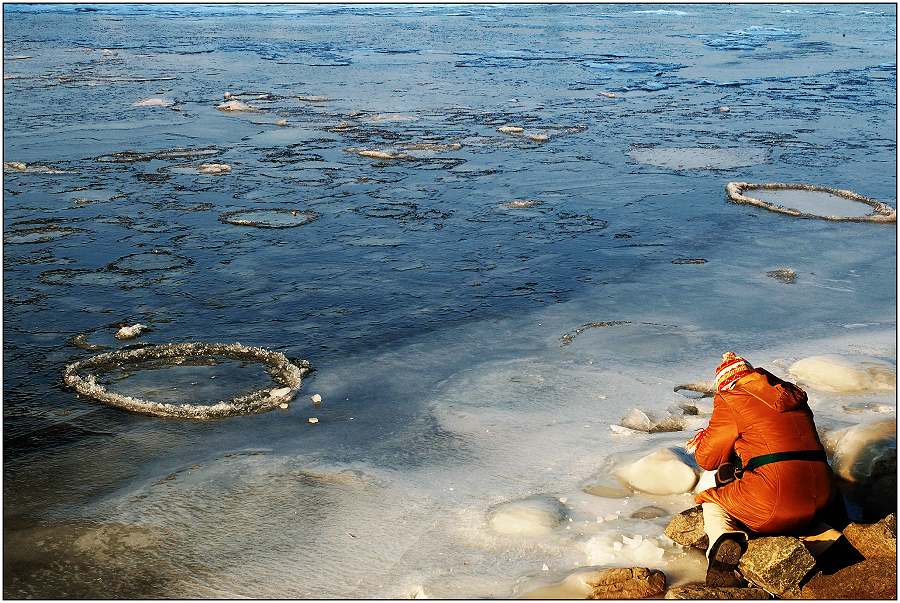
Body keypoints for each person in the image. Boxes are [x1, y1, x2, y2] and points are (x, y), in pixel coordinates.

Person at [685, 352, 835, 587]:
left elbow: (708, 459)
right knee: (796, 497)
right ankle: (830, 538)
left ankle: (724, 543)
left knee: (712, 502)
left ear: (726, 384)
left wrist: (707, 439)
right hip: (824, 494)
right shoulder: (794, 396)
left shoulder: (731, 399)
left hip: (773, 499)